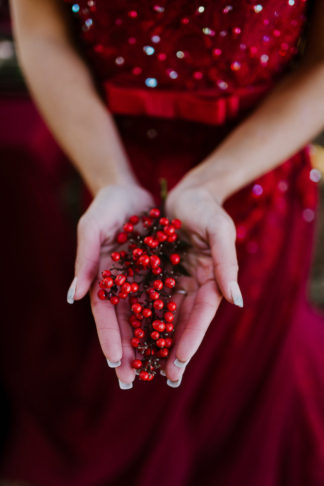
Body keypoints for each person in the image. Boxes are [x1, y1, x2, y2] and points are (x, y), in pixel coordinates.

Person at [2, 0, 324, 484]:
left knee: (238, 386)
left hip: (251, 171)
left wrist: (209, 185)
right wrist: (110, 177)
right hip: (105, 155)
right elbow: (44, 34)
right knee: (116, 366)